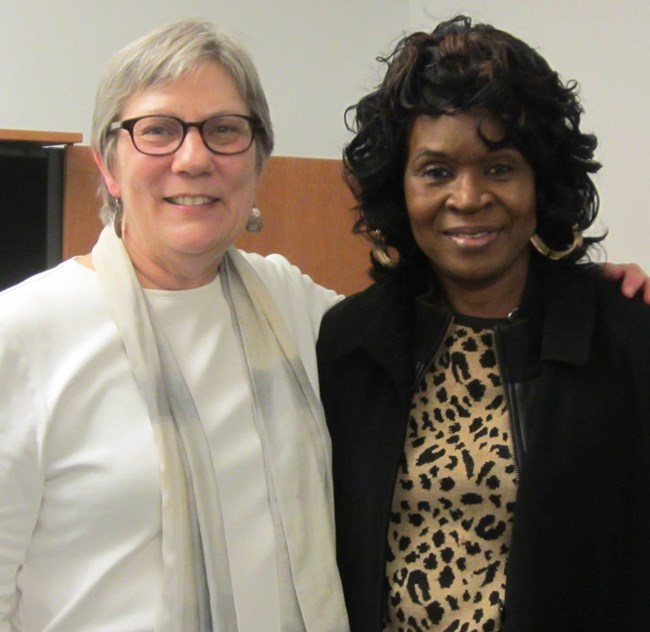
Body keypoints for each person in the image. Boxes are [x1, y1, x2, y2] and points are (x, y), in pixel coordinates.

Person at [0, 20, 349, 631]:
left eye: (224, 131)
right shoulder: (24, 334)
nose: (194, 159)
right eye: (157, 131)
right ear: (109, 168)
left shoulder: (294, 307)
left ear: (257, 161)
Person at [317, 15, 650, 632]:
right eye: (436, 171)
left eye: (499, 167)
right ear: (401, 185)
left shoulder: (625, 342)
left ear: (541, 180)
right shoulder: (347, 345)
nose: (467, 198)